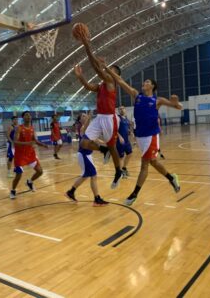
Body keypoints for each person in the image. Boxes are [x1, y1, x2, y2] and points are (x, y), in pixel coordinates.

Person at [104, 65, 183, 206]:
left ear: (152, 86)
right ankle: (171, 177)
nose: (144, 83)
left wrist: (176, 102)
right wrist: (106, 68)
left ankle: (134, 195)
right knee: (153, 162)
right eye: (144, 82)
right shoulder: (136, 95)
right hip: (139, 136)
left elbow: (178, 107)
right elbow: (120, 80)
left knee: (144, 165)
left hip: (151, 136)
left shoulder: (158, 100)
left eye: (147, 82)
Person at [74, 33, 123, 189]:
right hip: (99, 117)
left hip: (110, 118)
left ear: (115, 76)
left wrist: (87, 45)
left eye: (112, 70)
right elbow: (88, 86)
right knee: (84, 142)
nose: (108, 71)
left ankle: (118, 172)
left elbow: (96, 67)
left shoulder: (110, 82)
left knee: (113, 147)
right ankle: (103, 150)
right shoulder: (102, 85)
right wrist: (81, 77)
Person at [65, 113, 109, 206]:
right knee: (93, 175)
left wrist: (106, 143)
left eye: (86, 116)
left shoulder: (89, 131)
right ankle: (96, 199)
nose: (85, 117)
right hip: (84, 154)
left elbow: (96, 140)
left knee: (85, 176)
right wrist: (89, 117)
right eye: (83, 116)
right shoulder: (82, 129)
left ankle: (71, 192)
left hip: (88, 155)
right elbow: (87, 126)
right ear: (80, 120)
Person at [10, 111, 48, 199]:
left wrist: (42, 144)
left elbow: (34, 140)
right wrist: (28, 143)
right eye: (27, 115)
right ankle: (13, 190)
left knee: (40, 171)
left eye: (30, 115)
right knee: (18, 175)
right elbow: (15, 141)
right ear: (23, 118)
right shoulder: (19, 128)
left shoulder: (31, 128)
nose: (29, 116)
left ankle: (30, 182)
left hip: (30, 154)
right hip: (20, 155)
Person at [116, 106, 133, 178]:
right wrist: (119, 136)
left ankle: (124, 168)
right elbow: (114, 129)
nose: (121, 110)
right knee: (121, 157)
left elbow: (126, 128)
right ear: (118, 111)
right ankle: (120, 173)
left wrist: (130, 132)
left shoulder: (125, 118)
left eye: (122, 108)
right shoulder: (118, 118)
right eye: (120, 109)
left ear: (125, 110)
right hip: (120, 141)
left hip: (126, 140)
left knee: (130, 153)